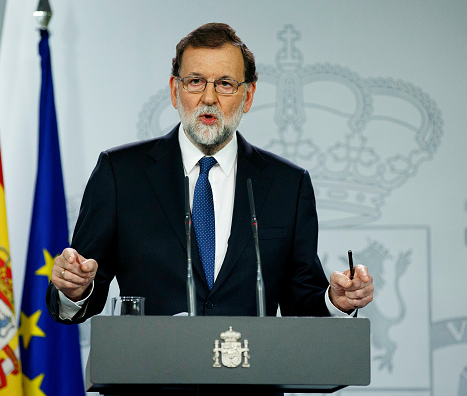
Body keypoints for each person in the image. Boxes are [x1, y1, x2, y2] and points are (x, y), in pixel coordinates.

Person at [46, 23, 373, 324]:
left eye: (226, 84)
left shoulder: (288, 184)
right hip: (150, 382)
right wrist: (74, 289)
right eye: (195, 81)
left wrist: (333, 300)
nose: (209, 98)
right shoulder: (120, 174)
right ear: (175, 90)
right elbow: (87, 285)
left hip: (248, 379)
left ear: (248, 96)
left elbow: (301, 300)